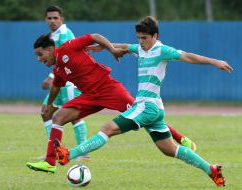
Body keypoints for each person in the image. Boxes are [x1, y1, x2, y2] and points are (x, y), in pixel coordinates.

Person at [52, 16, 233, 186]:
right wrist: (107, 47)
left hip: (147, 106)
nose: (141, 42)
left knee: (107, 129)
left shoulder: (162, 50)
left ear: (155, 36)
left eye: (144, 38)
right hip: (153, 108)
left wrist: (214, 61)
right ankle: (211, 170)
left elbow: (188, 56)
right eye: (139, 38)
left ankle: (69, 154)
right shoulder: (140, 48)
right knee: (170, 149)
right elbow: (125, 46)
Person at [27, 30, 196, 174]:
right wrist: (49, 104)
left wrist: (112, 50)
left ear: (50, 49)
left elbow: (95, 36)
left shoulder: (68, 47)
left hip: (108, 89)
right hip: (89, 96)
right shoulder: (58, 69)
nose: (39, 59)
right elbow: (56, 86)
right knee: (58, 117)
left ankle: (180, 139)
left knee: (145, 116)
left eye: (40, 54)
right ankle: (50, 163)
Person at [40, 5, 89, 161]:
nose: (53, 21)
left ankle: (84, 152)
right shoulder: (52, 36)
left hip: (69, 82)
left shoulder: (65, 34)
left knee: (74, 116)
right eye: (50, 18)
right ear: (45, 20)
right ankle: (54, 151)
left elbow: (65, 56)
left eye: (56, 18)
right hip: (60, 81)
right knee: (46, 112)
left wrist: (50, 76)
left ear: (62, 19)